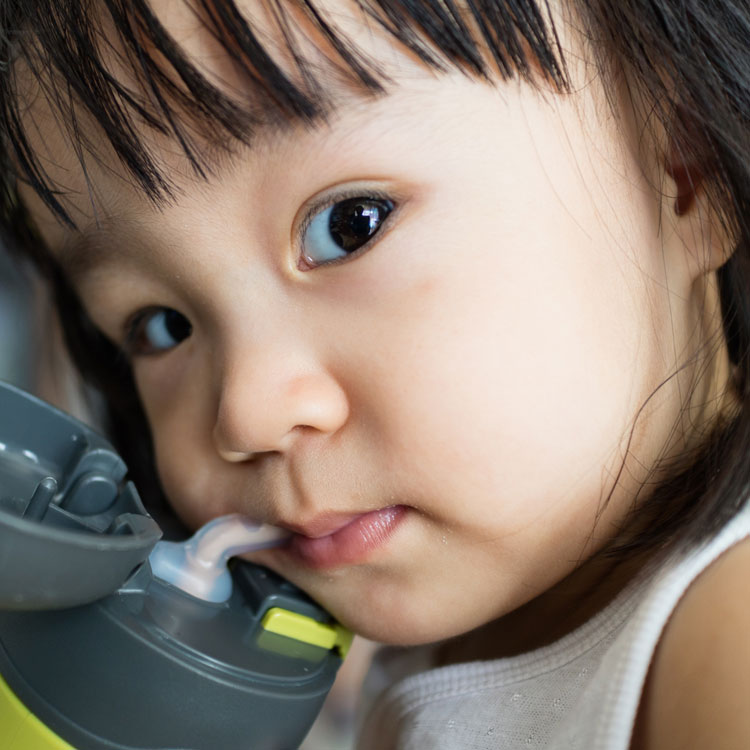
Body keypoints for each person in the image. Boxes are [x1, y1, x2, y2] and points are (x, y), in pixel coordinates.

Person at [2, 0, 749, 747]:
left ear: (684, 170)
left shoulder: (725, 639)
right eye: (162, 325)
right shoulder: (458, 632)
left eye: (351, 224)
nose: (246, 413)